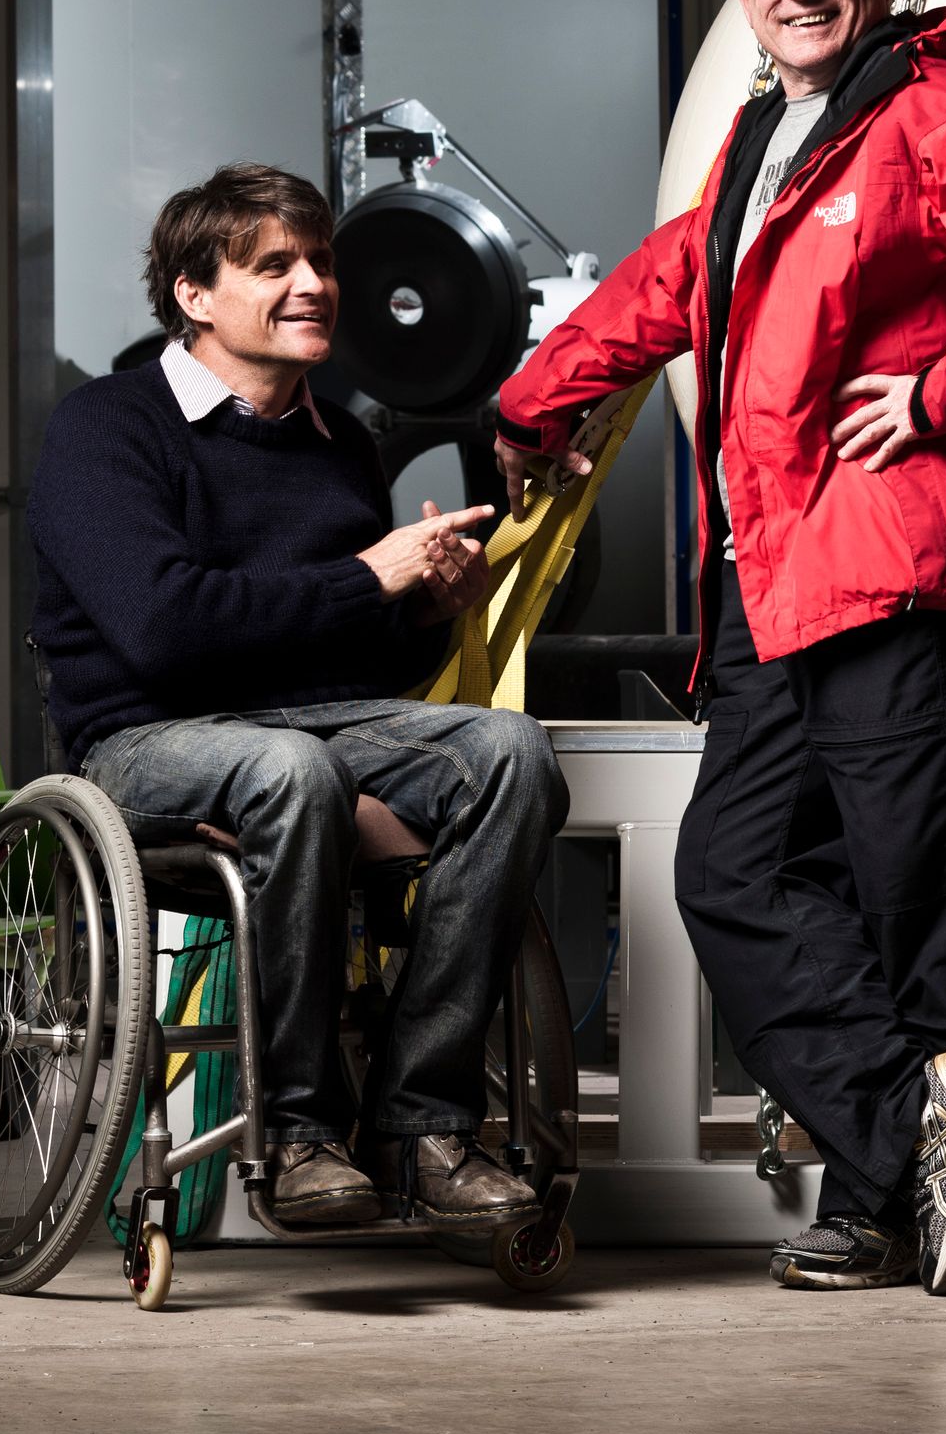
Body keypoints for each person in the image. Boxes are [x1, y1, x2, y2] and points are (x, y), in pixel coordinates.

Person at [496, 0, 946, 1296]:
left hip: (905, 562)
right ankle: (915, 1142)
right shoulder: (767, 140)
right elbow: (670, 285)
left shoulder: (925, 110)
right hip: (784, 581)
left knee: (918, 893)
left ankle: (876, 1202)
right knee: (737, 872)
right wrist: (536, 399)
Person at [28, 163, 568, 1234]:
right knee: (294, 770)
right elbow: (162, 630)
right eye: (272, 264)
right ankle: (303, 1130)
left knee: (508, 750)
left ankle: (418, 1124)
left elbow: (359, 674)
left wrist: (423, 609)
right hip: (144, 739)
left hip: (315, 728)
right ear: (194, 295)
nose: (313, 282)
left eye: (319, 261)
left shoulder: (344, 445)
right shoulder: (106, 428)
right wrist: (369, 578)